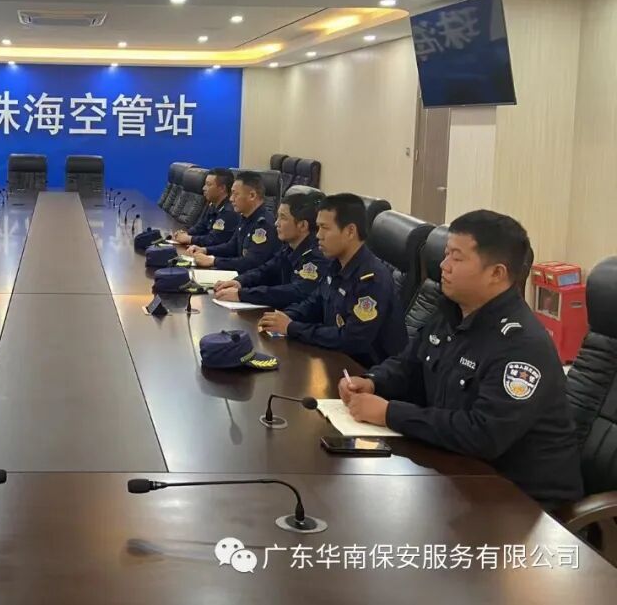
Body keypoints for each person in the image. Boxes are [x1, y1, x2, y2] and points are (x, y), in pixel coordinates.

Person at [339, 210, 583, 506]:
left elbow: (483, 434)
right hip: (456, 473)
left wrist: (389, 413)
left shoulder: (521, 345)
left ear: (496, 273)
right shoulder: (451, 312)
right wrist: (373, 382)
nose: (444, 266)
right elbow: (409, 367)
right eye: (446, 255)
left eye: (457, 258)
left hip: (520, 502)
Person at [258, 193, 404, 367]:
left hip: (364, 371)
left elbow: (351, 339)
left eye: (324, 228)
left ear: (350, 231)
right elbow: (314, 303)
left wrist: (292, 327)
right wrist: (284, 317)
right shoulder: (336, 263)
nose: (318, 235)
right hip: (333, 357)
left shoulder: (372, 279)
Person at [213, 192, 330, 307]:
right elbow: (266, 270)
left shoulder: (317, 255)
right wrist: (239, 282)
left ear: (302, 225)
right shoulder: (289, 247)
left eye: (283, 218)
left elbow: (294, 292)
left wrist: (242, 295)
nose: (276, 223)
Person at [186, 171, 278, 273]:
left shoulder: (264, 224)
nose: (231, 199)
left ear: (252, 195)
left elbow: (251, 262)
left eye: (235, 194)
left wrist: (214, 261)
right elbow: (231, 247)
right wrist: (205, 250)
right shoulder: (245, 217)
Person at [172, 167, 238, 248]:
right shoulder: (213, 204)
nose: (203, 188)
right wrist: (186, 233)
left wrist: (190, 239)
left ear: (222, 188)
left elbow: (214, 240)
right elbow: (201, 226)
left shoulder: (229, 211)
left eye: (208, 184)